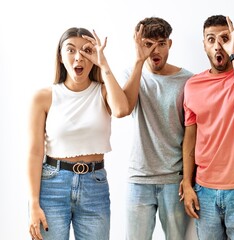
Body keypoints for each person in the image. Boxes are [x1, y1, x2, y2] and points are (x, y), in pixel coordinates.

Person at [27, 27, 129, 240]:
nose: (78, 57)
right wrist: (33, 204)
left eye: (86, 51)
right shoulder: (44, 97)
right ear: (61, 57)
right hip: (52, 186)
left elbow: (120, 110)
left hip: (95, 185)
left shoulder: (103, 91)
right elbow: (35, 153)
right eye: (71, 50)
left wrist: (104, 63)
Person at [180, 15, 234, 240]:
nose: (217, 45)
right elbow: (190, 139)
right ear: (204, 45)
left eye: (225, 38)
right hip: (204, 190)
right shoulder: (192, 86)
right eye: (211, 39)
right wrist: (188, 184)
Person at [122, 17, 193, 240]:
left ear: (169, 44)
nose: (155, 50)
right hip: (139, 177)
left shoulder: (188, 80)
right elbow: (126, 107)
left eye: (161, 43)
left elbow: (192, 134)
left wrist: (188, 179)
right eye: (148, 43)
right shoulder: (133, 75)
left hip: (175, 179)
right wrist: (138, 61)